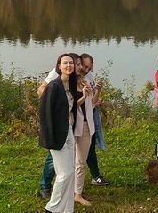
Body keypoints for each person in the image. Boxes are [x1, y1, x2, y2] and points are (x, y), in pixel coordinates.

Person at [38, 53, 78, 213]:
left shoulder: (71, 84)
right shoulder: (54, 86)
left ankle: (67, 209)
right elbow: (45, 114)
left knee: (71, 174)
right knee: (64, 173)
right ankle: (52, 208)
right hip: (56, 136)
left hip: (68, 132)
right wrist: (49, 138)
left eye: (71, 63)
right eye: (65, 63)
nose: (69, 66)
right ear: (59, 66)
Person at [68, 55, 95, 207]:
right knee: (68, 161)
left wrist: (95, 92)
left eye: (79, 64)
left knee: (80, 162)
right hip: (72, 126)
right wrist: (84, 96)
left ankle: (78, 194)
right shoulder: (66, 83)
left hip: (86, 125)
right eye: (77, 64)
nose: (79, 67)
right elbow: (70, 107)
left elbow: (92, 104)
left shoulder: (85, 81)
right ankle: (66, 190)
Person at [78, 54, 109, 186]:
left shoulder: (89, 76)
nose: (87, 70)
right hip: (80, 119)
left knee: (90, 148)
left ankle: (95, 176)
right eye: (85, 66)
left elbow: (92, 101)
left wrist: (98, 91)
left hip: (90, 117)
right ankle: (45, 184)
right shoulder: (74, 79)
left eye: (90, 68)